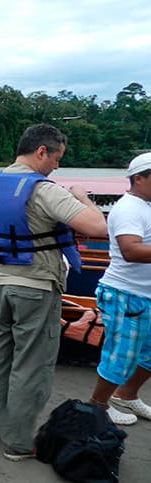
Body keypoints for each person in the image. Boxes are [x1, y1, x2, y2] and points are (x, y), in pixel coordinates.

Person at [0, 124, 107, 461]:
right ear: (41, 151)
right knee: (31, 364)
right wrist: (82, 198)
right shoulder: (43, 189)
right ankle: (18, 442)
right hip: (34, 286)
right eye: (57, 158)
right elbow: (98, 227)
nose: (57, 167)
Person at [88, 152, 151, 425]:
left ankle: (126, 395)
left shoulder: (146, 206)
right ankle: (97, 405)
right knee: (120, 356)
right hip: (126, 295)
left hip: (144, 295)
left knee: (147, 355)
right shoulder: (129, 209)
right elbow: (130, 250)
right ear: (139, 179)